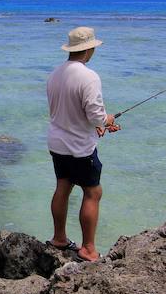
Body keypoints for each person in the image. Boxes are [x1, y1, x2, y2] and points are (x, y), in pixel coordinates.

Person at [46, 26, 121, 262]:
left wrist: (95, 124)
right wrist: (105, 121)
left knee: (63, 186)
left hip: (57, 143)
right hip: (80, 147)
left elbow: (63, 110)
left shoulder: (55, 74)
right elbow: (95, 113)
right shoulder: (89, 76)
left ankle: (59, 238)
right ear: (88, 50)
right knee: (92, 192)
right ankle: (88, 249)